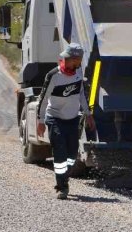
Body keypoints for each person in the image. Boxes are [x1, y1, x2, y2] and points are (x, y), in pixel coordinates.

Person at [36, 43, 95, 200]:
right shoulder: (54, 75)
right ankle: (62, 186)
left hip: (72, 119)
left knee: (71, 155)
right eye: (69, 58)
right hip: (54, 118)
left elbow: (81, 94)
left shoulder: (77, 73)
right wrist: (40, 121)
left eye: (77, 60)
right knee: (60, 151)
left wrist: (88, 114)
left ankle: (64, 176)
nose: (76, 62)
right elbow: (43, 99)